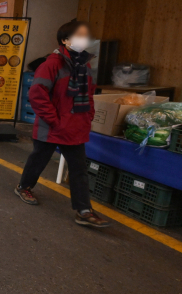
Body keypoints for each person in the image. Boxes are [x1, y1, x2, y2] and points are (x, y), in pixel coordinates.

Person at [14, 20, 110, 228]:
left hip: (76, 126)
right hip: (53, 127)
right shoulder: (51, 64)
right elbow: (38, 95)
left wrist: (89, 115)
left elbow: (89, 94)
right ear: (65, 41)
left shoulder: (86, 65)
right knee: (38, 160)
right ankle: (24, 186)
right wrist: (54, 120)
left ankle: (84, 210)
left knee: (78, 169)